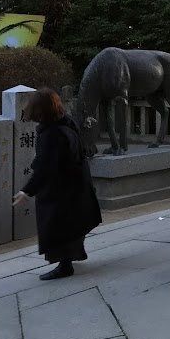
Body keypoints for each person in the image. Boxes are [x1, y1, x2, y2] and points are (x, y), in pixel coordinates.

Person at [13, 88, 102, 281]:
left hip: (62, 190)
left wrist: (26, 191)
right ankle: (70, 259)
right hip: (76, 185)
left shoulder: (52, 134)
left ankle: (65, 265)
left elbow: (46, 168)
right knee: (71, 225)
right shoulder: (67, 123)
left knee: (58, 227)